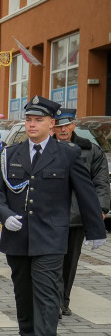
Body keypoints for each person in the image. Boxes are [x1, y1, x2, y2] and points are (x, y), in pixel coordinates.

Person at [0, 96, 105, 336]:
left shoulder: (68, 153)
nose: (31, 124)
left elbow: (85, 192)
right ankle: (27, 335)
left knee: (47, 291)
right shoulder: (9, 154)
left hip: (51, 235)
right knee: (23, 289)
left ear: (51, 124)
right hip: (18, 235)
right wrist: (5, 217)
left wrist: (95, 228)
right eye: (28, 120)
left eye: (38, 120)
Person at [53, 107, 110, 316]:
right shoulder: (45, 148)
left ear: (73, 125)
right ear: (53, 128)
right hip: (49, 216)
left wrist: (101, 209)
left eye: (66, 125)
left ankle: (63, 299)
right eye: (59, 126)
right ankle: (53, 300)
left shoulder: (90, 150)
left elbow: (101, 183)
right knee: (50, 261)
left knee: (69, 262)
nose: (63, 130)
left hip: (76, 217)